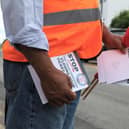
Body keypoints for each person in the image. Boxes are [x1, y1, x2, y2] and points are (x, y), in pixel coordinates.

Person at [0, 0, 125, 129]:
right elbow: (19, 10)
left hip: (67, 61)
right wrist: (46, 71)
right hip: (40, 65)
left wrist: (104, 34)